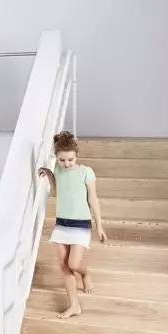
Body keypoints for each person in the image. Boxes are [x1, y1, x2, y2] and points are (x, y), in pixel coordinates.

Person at [38, 131, 107, 319]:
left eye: (70, 159)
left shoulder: (86, 172)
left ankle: (85, 274)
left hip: (80, 224)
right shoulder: (58, 169)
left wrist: (99, 226)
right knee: (64, 266)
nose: (66, 164)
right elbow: (56, 191)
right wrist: (49, 173)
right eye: (62, 160)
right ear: (56, 157)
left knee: (74, 263)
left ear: (76, 155)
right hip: (62, 223)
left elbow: (93, 200)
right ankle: (74, 305)